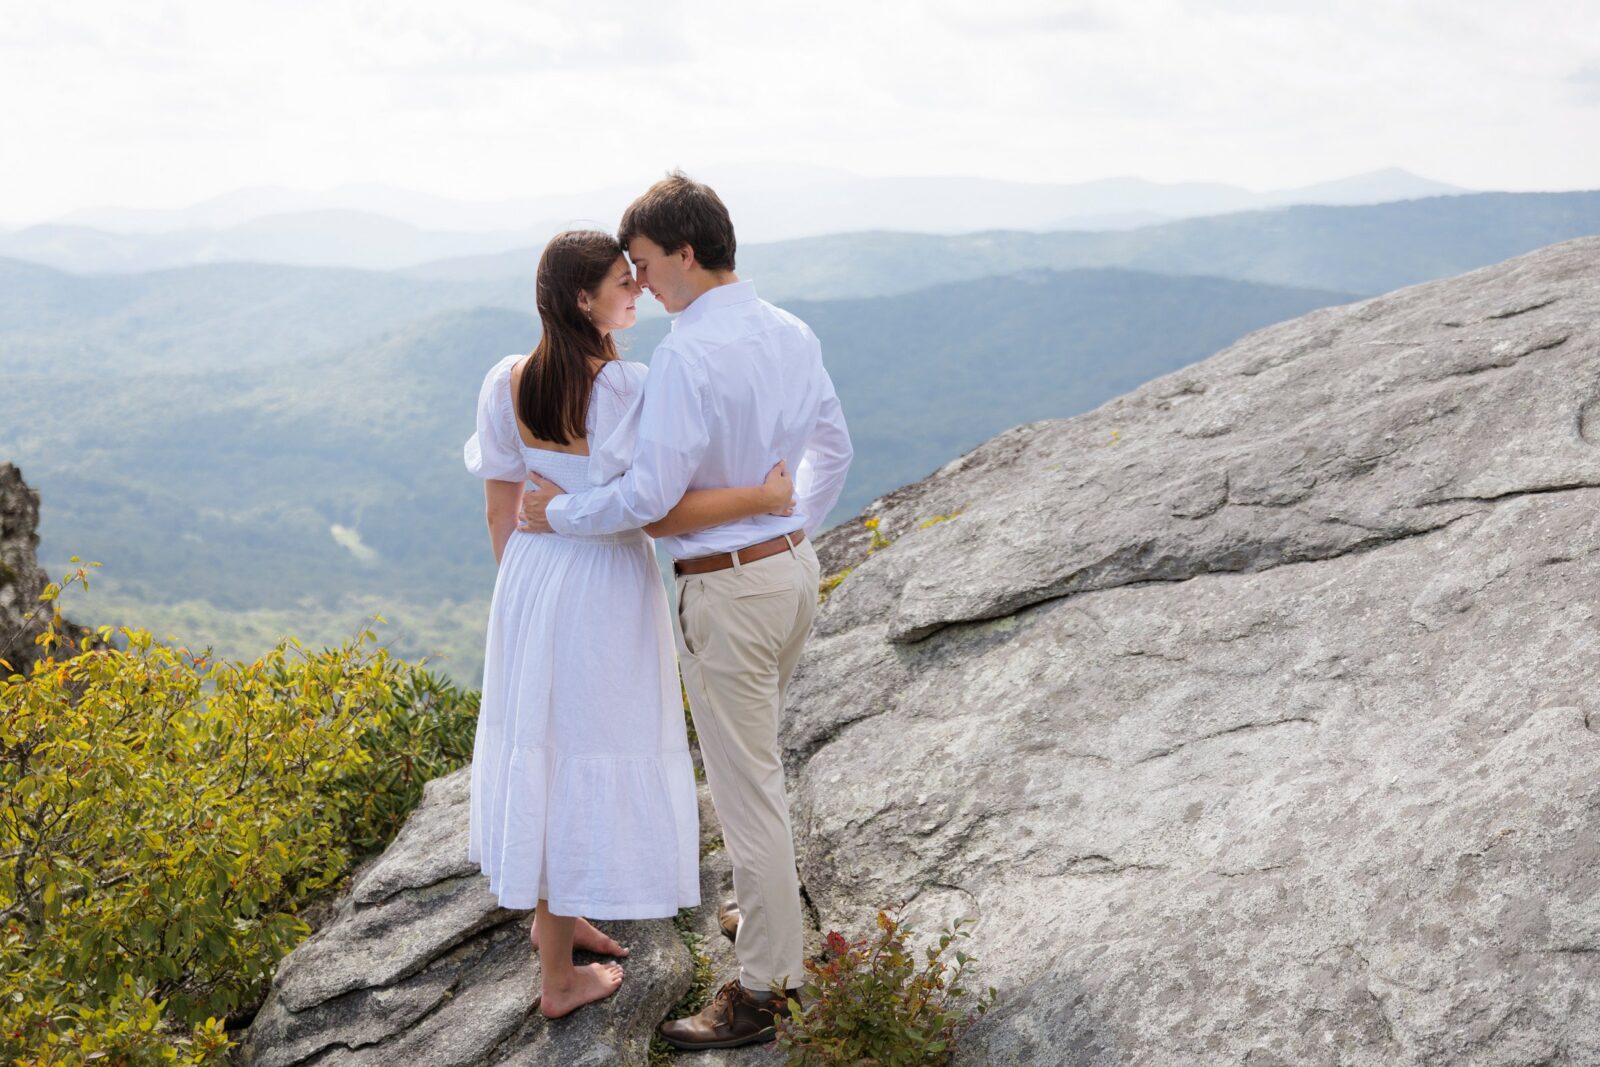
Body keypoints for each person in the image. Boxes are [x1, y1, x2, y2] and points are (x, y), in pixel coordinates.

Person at [519, 173, 853, 1049]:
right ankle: (768, 911)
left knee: (747, 788)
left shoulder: (687, 355)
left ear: (687, 253)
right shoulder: (793, 330)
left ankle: (764, 994)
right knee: (758, 763)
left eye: (646, 262)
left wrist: (554, 513)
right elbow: (834, 448)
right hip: (791, 576)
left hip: (730, 588)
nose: (642, 280)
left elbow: (649, 498)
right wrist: (786, 528)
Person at [463, 229, 797, 1020]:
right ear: (586, 300)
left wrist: (519, 595)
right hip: (603, 584)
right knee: (587, 746)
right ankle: (558, 979)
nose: (637, 290)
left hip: (531, 579)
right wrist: (760, 498)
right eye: (622, 281)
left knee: (543, 747)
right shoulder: (624, 388)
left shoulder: (506, 381)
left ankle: (559, 915)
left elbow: (499, 508)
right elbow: (649, 513)